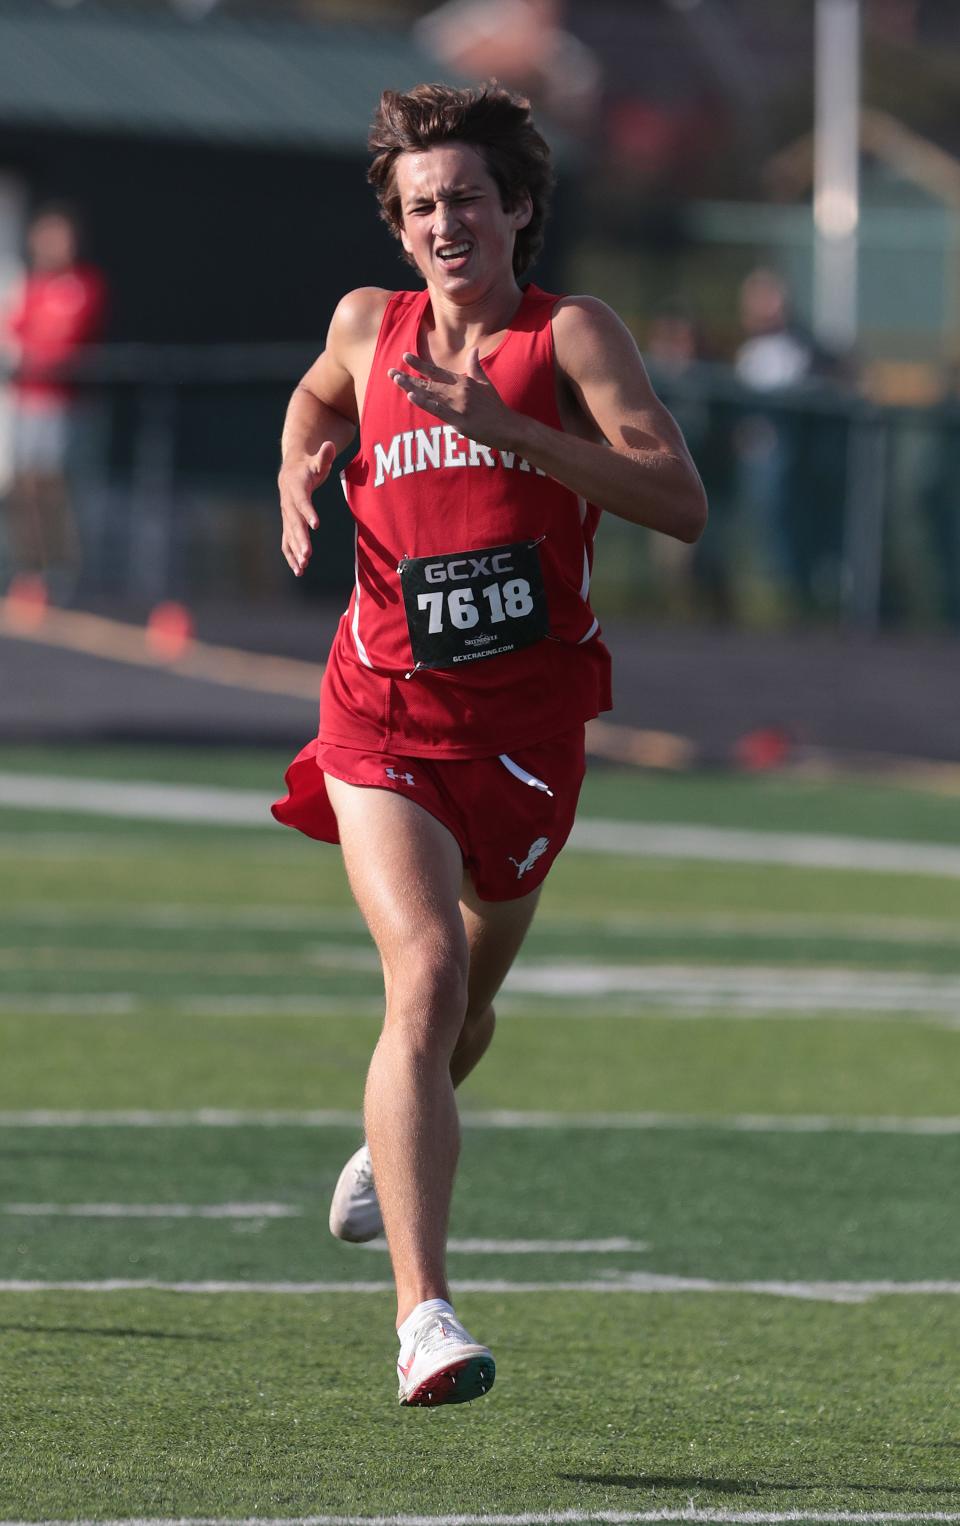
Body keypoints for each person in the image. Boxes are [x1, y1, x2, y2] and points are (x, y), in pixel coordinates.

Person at [272, 82, 706, 1407]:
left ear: (518, 208)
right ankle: (425, 1316)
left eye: (468, 197)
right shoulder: (367, 323)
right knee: (427, 969)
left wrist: (515, 431)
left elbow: (679, 502)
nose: (446, 221)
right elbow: (314, 396)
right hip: (381, 718)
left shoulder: (569, 335)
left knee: (466, 1005)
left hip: (525, 734)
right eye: (422, 206)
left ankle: (391, 1137)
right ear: (399, 232)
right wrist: (297, 459)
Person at [0, 205, 106, 599]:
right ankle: (28, 572)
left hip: (62, 407)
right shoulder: (32, 286)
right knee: (23, 487)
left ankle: (61, 573)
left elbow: (63, 343)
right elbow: (11, 333)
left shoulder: (83, 285)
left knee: (53, 487)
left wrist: (34, 348)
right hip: (25, 403)